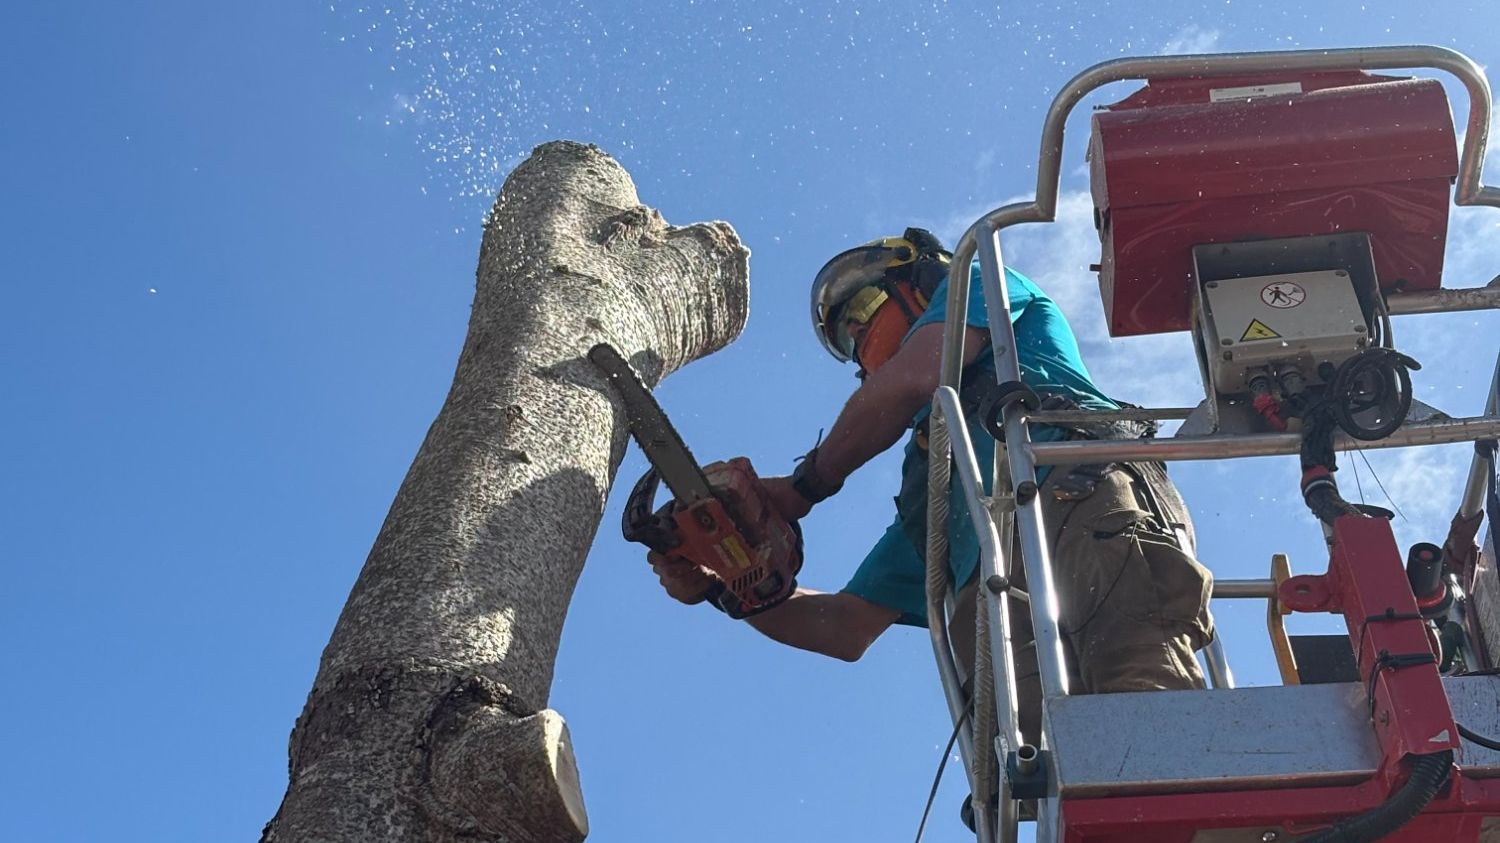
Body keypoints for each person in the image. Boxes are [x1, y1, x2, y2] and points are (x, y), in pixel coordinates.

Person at [650, 227, 1215, 745]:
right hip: (989, 578)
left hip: (1075, 489)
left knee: (1145, 694)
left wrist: (803, 488)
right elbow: (846, 626)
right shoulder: (935, 475)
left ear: (918, 282)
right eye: (848, 343)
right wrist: (729, 585)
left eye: (864, 307)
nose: (858, 335)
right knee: (1046, 765)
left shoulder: (980, 284)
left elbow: (918, 376)